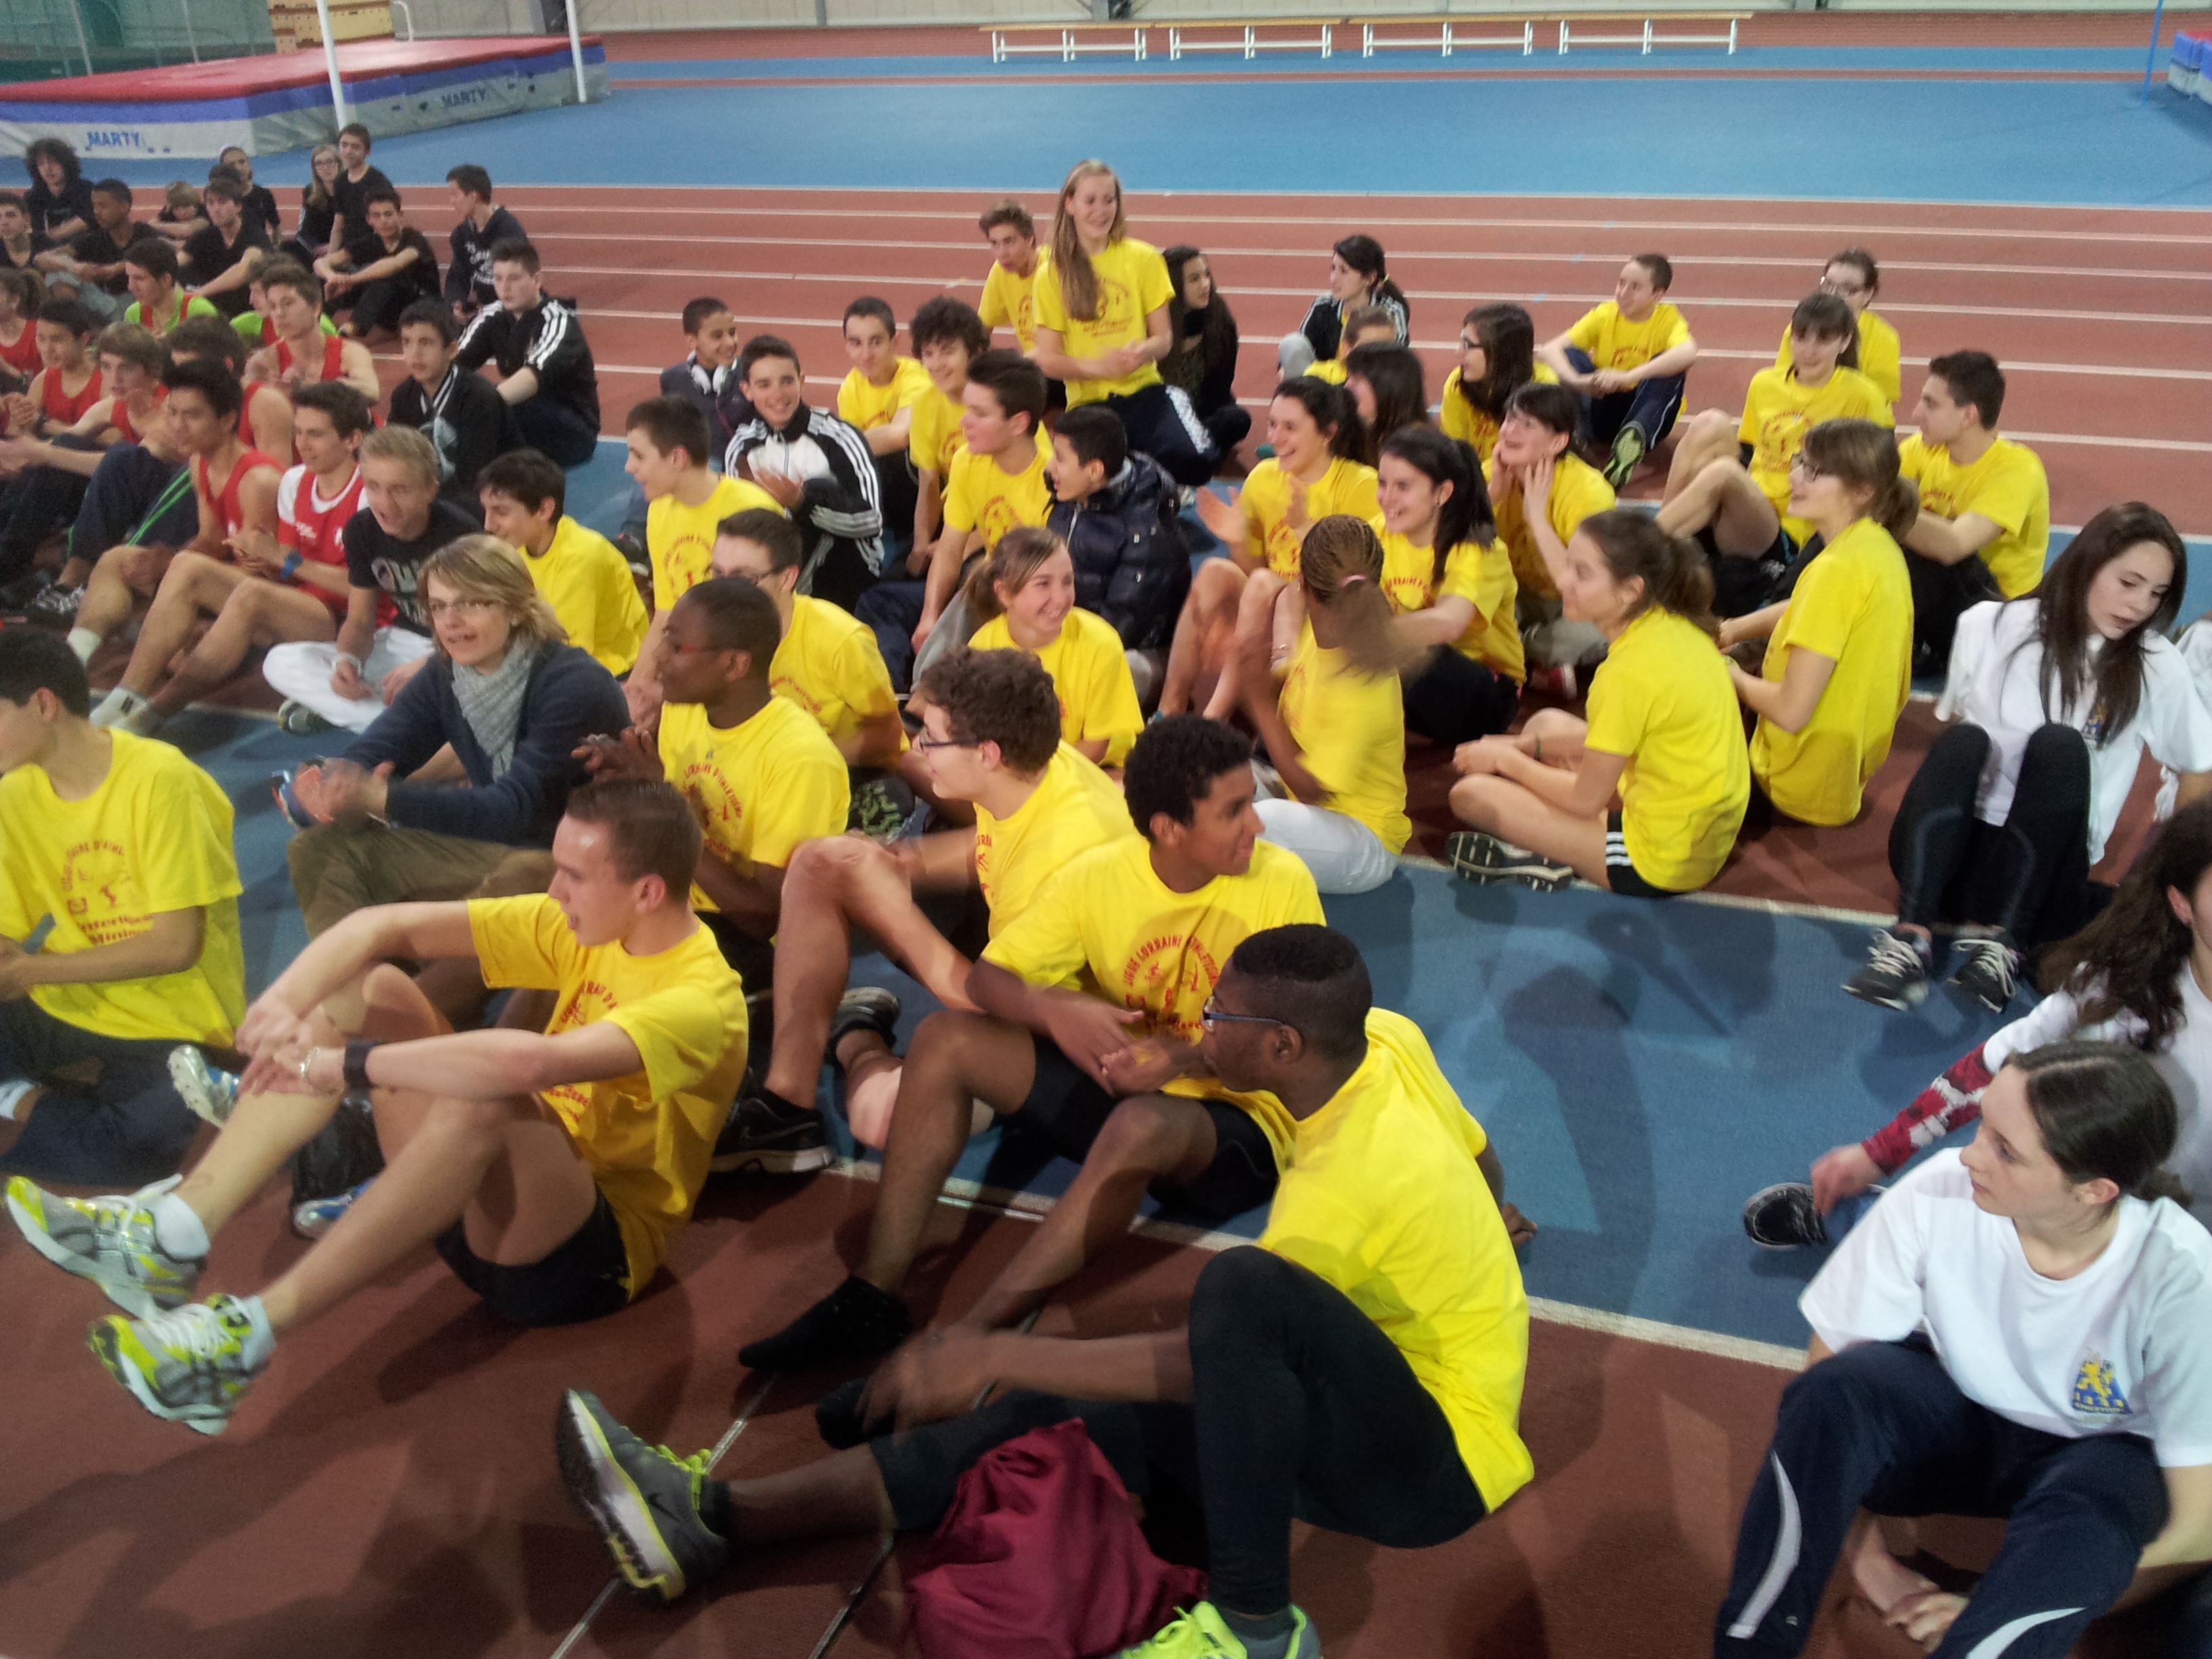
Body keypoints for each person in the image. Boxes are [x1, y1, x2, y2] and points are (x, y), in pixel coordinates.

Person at [560, 924, 1532, 1659]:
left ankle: (1254, 1630)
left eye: (1218, 1017)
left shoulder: (1342, 1193)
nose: (1202, 1022)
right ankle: (711, 1518)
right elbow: (1478, 1153)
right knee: (1044, 1421)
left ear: (1281, 1046)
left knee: (1239, 1291)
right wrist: (1488, 1216)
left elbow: (1214, 1364)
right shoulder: (1382, 1040)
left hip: (1436, 1463)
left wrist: (995, 1348)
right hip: (1367, 1375)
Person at [7, 774, 748, 1435]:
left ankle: (241, 1341)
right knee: (372, 988)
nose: (554, 891)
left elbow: (529, 1062)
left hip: (582, 1259)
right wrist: (284, 1002)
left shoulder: (701, 999)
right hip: (486, 1194)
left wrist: (344, 1068)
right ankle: (173, 1234)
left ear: (647, 892)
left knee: (483, 1097)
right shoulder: (589, 922)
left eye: (574, 876)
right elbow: (376, 929)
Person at [737, 718, 1328, 1371]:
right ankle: (873, 1293)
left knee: (1140, 1125)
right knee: (945, 1039)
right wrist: (1053, 1009)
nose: (1259, 824)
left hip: (1234, 1123)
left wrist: (1184, 1055)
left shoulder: (1282, 882)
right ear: (1168, 829)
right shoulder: (1100, 876)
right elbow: (990, 978)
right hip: (1129, 1088)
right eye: (1235, 811)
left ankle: (971, 1340)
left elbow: (1292, 1038)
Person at [1714, 1040, 2212, 1659]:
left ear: (2094, 1190)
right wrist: (1867, 1560)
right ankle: (1750, 1645)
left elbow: (2199, 1528)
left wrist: (1999, 1605)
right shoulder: (1938, 1192)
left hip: (2096, 1461)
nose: (1970, 1155)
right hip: (1952, 1428)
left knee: (2094, 1525)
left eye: (2005, 1150)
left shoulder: (2183, 1278)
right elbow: (1821, 1400)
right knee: (1832, 1393)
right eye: (1983, 1126)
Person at [715, 647, 1131, 1175]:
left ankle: (857, 1038)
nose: (918, 746)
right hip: (1020, 969)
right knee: (825, 862)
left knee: (886, 1118)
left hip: (1056, 1034)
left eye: (932, 738)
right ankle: (786, 1106)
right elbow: (997, 839)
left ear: (987, 753)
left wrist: (890, 907)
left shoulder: (1067, 857)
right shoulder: (1034, 766)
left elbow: (991, 996)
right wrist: (901, 861)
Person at [1750, 796, 2212, 1251]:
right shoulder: (2123, 986)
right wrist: (1879, 1154)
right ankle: (1873, 1222)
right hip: (2075, 1201)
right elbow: (1996, 1065)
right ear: (2182, 904)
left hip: (2182, 1236)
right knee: (1981, 1202)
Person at [1843, 504, 2212, 1012]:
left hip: (2045, 882)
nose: (2140, 606)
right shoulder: (1988, 625)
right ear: (2087, 563)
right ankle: (1909, 938)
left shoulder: (2154, 664)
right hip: (1947, 866)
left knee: (2059, 747)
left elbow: (2199, 765)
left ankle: (2004, 946)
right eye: (2129, 583)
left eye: (2157, 594)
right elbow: (1955, 747)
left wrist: (2170, 874)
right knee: (1964, 742)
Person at [281, 535, 629, 939]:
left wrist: (380, 797)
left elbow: (513, 811)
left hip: (576, 861)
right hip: (499, 845)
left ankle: (411, 972)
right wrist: (333, 781)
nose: (450, 621)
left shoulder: (574, 685)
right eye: (439, 606)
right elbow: (381, 745)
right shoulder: (447, 674)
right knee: (317, 849)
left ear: (516, 608)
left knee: (509, 881)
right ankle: (364, 977)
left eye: (472, 603)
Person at [0, 629, 243, 1187]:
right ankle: (37, 1100)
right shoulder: (14, 793)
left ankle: (21, 1098)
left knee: (135, 1152)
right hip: (65, 998)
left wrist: (28, 971)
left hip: (173, 1013)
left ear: (43, 704)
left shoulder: (163, 780)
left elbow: (175, 947)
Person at [1449, 510, 1749, 896]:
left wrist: (1506, 761)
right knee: (1543, 727)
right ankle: (1554, 843)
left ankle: (1551, 856)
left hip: (1659, 860)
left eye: (1582, 573)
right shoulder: (1672, 627)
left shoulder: (1625, 672)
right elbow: (1620, 735)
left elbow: (1584, 801)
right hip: (1699, 832)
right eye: (1569, 566)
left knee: (1471, 795)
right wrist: (1521, 745)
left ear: (1630, 591)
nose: (1563, 581)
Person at [577, 578, 848, 992]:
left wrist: (663, 805)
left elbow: (763, 918)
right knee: (559, 925)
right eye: (664, 639)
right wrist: (626, 781)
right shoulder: (684, 709)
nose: (657, 658)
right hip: (672, 893)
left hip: (744, 940)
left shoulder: (800, 758)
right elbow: (665, 805)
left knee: (592, 951)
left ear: (734, 665)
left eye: (677, 647)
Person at [86, 382, 365, 737]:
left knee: (251, 596)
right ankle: (125, 697)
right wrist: (265, 564)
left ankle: (154, 714)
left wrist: (286, 561)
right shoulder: (295, 482)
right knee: (186, 566)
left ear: (352, 440)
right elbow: (283, 565)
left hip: (347, 621)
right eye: (299, 432)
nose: (303, 445)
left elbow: (362, 588)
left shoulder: (367, 494)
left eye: (316, 435)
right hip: (299, 605)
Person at [1725, 419, 1914, 828]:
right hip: (1834, 775)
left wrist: (1727, 673)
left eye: (1814, 471)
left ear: (1862, 491)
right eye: (1800, 462)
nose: (1794, 476)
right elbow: (1804, 607)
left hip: (1792, 781)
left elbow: (1792, 712)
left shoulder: (1837, 571)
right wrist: (1734, 630)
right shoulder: (1874, 545)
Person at [1659, 291, 1891, 619]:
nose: (1809, 350)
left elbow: (1875, 472)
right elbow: (1751, 450)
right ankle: (1664, 531)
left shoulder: (1863, 396)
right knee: (1709, 424)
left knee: (1724, 472)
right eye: (1801, 337)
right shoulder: (1765, 383)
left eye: (1823, 340)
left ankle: (1640, 548)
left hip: (1791, 529)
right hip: (1751, 506)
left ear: (1844, 342)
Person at [1170, 376, 1377, 722]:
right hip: (1266, 610)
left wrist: (1305, 531)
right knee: (1215, 571)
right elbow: (1254, 572)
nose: (1275, 438)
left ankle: (1214, 718)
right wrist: (1237, 539)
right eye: (1272, 424)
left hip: (1323, 616)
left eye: (1290, 428)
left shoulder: (1361, 485)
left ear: (1327, 433)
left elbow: (1354, 584)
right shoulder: (1264, 478)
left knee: (1266, 584)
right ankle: (1170, 710)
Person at [64, 358, 279, 687]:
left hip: (266, 599)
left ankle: (128, 699)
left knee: (183, 613)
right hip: (224, 581)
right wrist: (165, 559)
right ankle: (71, 660)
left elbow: (264, 572)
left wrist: (176, 567)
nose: (178, 425)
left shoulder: (259, 480)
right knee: (119, 559)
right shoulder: (200, 462)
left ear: (227, 420)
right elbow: (211, 540)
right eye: (173, 413)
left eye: (191, 415)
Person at [261, 425, 477, 734]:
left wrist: (430, 666)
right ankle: (392, 724)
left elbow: (484, 629)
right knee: (280, 662)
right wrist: (347, 661)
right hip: (400, 642)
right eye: (373, 488)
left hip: (455, 652)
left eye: (399, 490)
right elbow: (360, 620)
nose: (385, 504)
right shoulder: (361, 530)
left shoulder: (462, 534)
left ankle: (382, 723)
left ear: (430, 489)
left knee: (468, 684)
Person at [1239, 515, 1410, 895]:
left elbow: (1311, 789)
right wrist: (1266, 672)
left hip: (1363, 837)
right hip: (1303, 804)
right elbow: (1294, 683)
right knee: (1208, 777)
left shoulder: (1365, 684)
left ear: (1305, 585)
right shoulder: (1324, 634)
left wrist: (1260, 702)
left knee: (1259, 826)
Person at [1032, 160, 1217, 489]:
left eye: (1109, 200)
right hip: (1089, 405)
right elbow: (1047, 359)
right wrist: (1099, 368)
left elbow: (1163, 339)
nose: (1100, 211)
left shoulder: (1144, 259)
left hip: (1144, 391)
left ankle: (1154, 484)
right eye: (1090, 201)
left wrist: (1143, 351)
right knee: (1066, 482)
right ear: (1069, 204)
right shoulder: (1052, 274)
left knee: (1199, 460)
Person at [621, 396, 782, 724]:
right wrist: (636, 689)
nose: (629, 467)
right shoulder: (660, 511)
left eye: (639, 456)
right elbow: (666, 612)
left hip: (743, 670)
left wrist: (668, 692)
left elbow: (771, 619)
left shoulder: (751, 509)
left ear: (677, 458)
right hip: (693, 658)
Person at [707, 506, 904, 769]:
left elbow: (887, 734)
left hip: (841, 770)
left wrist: (800, 766)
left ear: (787, 578)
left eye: (744, 578)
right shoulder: (708, 634)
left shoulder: (841, 640)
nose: (724, 591)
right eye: (718, 574)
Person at [1897, 350, 2051, 676]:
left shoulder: (2017, 470)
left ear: (1968, 416)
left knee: (1924, 548)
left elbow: (1954, 545)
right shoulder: (1921, 450)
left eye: (1931, 404)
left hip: (1998, 620)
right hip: (1947, 603)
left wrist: (1873, 500)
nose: (1915, 414)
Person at [905, 346, 1055, 670]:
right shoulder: (967, 461)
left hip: (1032, 605)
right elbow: (950, 549)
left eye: (980, 413)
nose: (964, 422)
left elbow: (1049, 585)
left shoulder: (1052, 483)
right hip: (989, 590)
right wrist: (930, 616)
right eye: (966, 409)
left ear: (1018, 423)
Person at [1374, 425, 1522, 745]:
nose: (1387, 498)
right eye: (1382, 483)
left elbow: (1449, 622)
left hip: (1486, 688)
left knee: (1407, 655)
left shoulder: (1478, 549)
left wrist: (1365, 639)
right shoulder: (1378, 533)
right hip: (1409, 671)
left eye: (1403, 486)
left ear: (1442, 494)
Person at [722, 333, 886, 615]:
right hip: (776, 569)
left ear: (802, 381)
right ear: (747, 390)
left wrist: (802, 503)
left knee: (818, 489)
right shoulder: (742, 448)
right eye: (764, 385)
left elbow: (872, 521)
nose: (778, 394)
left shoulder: (838, 437)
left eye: (787, 381)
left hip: (846, 566)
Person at [965, 526, 1143, 767]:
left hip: (1097, 770)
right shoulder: (983, 647)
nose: (1060, 599)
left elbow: (1096, 747)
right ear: (1004, 593)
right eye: (1043, 584)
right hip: (1017, 771)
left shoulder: (1101, 643)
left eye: (1067, 581)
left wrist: (1027, 778)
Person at [1043, 403, 1191, 672]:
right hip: (1068, 630)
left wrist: (1056, 651)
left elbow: (1120, 629)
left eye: (1060, 458)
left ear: (1094, 471)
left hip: (1130, 654)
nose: (1049, 466)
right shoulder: (1072, 492)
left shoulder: (1144, 531)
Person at [478, 447, 647, 678]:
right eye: (486, 510)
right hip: (550, 659)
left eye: (501, 512)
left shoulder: (582, 559)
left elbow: (567, 657)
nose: (488, 525)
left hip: (610, 672)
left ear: (544, 510)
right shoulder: (518, 546)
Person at [1490, 380, 1617, 682]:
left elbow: (1578, 585)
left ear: (1558, 443)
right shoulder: (1491, 474)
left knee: (1599, 632)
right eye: (1510, 419)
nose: (1510, 431)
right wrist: (1491, 497)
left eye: (1528, 425)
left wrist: (1536, 517)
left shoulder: (1588, 491)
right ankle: (1539, 665)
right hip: (1517, 595)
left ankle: (1514, 654)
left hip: (1573, 604)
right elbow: (1453, 555)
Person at [1538, 253, 1700, 489]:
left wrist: (1627, 377)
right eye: (1621, 283)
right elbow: (1549, 350)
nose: (1623, 293)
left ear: (1657, 295)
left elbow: (1689, 352)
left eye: (1635, 287)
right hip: (1603, 405)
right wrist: (1580, 381)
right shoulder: (1605, 314)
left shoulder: (1667, 320)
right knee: (1570, 355)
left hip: (1645, 411)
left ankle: (1633, 439)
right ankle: (1577, 437)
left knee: (1670, 368)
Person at [453, 239, 600, 468]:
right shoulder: (493, 315)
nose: (504, 288)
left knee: (500, 406)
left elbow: (533, 378)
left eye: (514, 278)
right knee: (465, 391)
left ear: (537, 280)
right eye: (498, 278)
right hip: (525, 417)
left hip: (573, 430)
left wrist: (481, 406)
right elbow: (455, 365)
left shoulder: (557, 319)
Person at [386, 298, 521, 515]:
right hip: (436, 494)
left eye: (426, 343)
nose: (415, 353)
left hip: (495, 493)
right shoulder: (404, 396)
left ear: (452, 350)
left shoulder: (479, 398)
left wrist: (421, 504)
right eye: (407, 342)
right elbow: (395, 455)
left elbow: (475, 478)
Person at [834, 295, 928, 558]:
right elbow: (851, 460)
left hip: (924, 486)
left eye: (876, 342)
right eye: (856, 343)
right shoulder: (850, 388)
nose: (866, 355)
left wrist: (838, 444)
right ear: (847, 346)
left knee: (898, 458)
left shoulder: (916, 377)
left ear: (895, 342)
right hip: (885, 495)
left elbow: (899, 435)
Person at [903, 293, 990, 558]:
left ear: (974, 351)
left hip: (1003, 518)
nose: (936, 364)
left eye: (948, 352)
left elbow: (1026, 495)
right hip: (958, 514)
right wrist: (920, 547)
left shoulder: (1000, 398)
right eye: (928, 354)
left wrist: (965, 544)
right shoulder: (924, 405)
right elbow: (929, 485)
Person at [1777, 246, 1900, 407]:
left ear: (1868, 294)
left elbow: (1880, 398)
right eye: (1828, 285)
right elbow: (1784, 382)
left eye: (1847, 289)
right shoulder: (1798, 329)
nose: (1834, 294)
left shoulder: (1885, 338)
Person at [167, 312, 293, 466]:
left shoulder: (266, 404)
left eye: (190, 371)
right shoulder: (190, 405)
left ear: (226, 367)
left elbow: (275, 476)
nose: (182, 379)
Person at [1279, 232, 1411, 379]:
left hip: (1366, 384)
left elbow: (1396, 367)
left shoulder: (1390, 313)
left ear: (1369, 279)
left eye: (1344, 271)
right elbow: (1300, 348)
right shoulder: (1324, 305)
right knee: (1292, 343)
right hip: (1322, 386)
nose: (1333, 279)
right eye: (1333, 269)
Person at [316, 186, 440, 340]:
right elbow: (321, 263)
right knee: (332, 278)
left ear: (400, 215)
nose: (383, 221)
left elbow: (395, 264)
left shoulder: (414, 239)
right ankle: (319, 317)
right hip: (388, 309)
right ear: (369, 220)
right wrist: (332, 277)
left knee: (383, 276)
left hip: (421, 308)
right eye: (377, 216)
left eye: (388, 214)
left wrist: (351, 279)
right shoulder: (371, 242)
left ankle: (349, 330)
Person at [246, 260, 379, 401]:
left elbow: (371, 391)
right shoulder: (264, 363)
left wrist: (308, 388)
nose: (279, 313)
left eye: (288, 303)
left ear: (315, 308)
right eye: (273, 306)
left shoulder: (349, 352)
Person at [1162, 243, 1250, 455]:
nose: (1205, 284)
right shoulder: (1155, 324)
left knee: (1237, 419)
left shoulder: (1220, 321)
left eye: (1207, 275)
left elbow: (1220, 389)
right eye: (1194, 279)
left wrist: (1194, 424)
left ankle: (1192, 447)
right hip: (1163, 412)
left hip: (1205, 412)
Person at [659, 295, 744, 462]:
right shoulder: (673, 380)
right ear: (692, 342)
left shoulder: (751, 374)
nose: (729, 342)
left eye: (732, 332)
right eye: (717, 336)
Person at [442, 163, 525, 324]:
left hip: (510, 309)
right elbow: (458, 276)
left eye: (455, 195)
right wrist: (456, 304)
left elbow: (520, 279)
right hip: (483, 309)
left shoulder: (509, 231)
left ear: (473, 196)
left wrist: (495, 310)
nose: (452, 201)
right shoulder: (461, 235)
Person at [178, 175, 267, 320]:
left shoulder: (254, 236)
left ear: (238, 206)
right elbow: (174, 264)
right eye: (210, 203)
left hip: (247, 311)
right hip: (212, 310)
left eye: (222, 202)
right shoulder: (205, 236)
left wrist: (198, 294)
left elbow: (243, 271)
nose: (216, 209)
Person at [977, 197, 1047, 354]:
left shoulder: (1053, 269)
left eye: (1009, 241)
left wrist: (1016, 366)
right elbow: (981, 331)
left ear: (1029, 239)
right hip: (1033, 364)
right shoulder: (1000, 272)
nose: (1002, 254)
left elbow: (1053, 349)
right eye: (994, 243)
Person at [1343, 339, 1427, 456]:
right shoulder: (1355, 433)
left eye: (1357, 379)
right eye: (1348, 377)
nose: (1347, 386)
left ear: (1386, 387)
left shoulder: (1419, 450)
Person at [324, 123, 391, 266]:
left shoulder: (377, 182)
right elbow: (338, 225)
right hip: (347, 249)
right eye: (344, 145)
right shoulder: (340, 181)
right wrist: (329, 259)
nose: (348, 151)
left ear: (367, 152)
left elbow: (387, 224)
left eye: (355, 147)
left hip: (372, 249)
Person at [118, 239, 216, 336]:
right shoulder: (134, 314)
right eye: (129, 277)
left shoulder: (199, 311)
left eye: (140, 279)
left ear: (165, 280)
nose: (131, 287)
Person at [22, 140, 93, 245]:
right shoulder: (32, 197)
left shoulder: (85, 189)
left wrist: (52, 235)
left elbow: (89, 219)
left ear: (66, 164)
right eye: (41, 164)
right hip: (44, 249)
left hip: (80, 247)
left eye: (53, 162)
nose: (47, 168)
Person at [285, 145, 342, 268]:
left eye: (330, 162)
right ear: (314, 169)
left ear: (339, 163)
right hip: (318, 248)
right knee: (286, 247)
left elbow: (360, 229)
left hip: (344, 246)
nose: (325, 168)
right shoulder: (310, 192)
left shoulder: (351, 190)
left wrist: (333, 246)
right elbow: (303, 230)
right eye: (319, 164)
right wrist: (315, 247)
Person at [215, 148, 281, 245]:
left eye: (242, 162)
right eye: (231, 165)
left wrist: (276, 247)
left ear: (250, 165)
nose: (238, 168)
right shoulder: (218, 198)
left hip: (259, 247)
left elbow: (276, 225)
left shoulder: (263, 194)